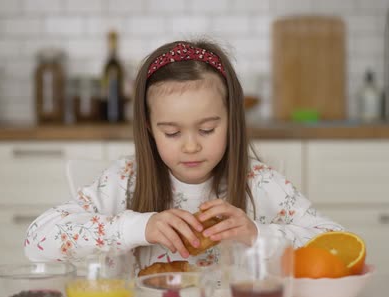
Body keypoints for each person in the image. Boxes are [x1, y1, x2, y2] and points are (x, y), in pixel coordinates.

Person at [24, 39, 344, 270]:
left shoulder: (259, 182)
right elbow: (37, 243)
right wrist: (138, 228)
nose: (191, 146)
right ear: (149, 128)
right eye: (172, 133)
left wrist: (258, 233)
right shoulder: (124, 180)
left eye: (206, 129)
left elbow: (339, 247)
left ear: (231, 120)